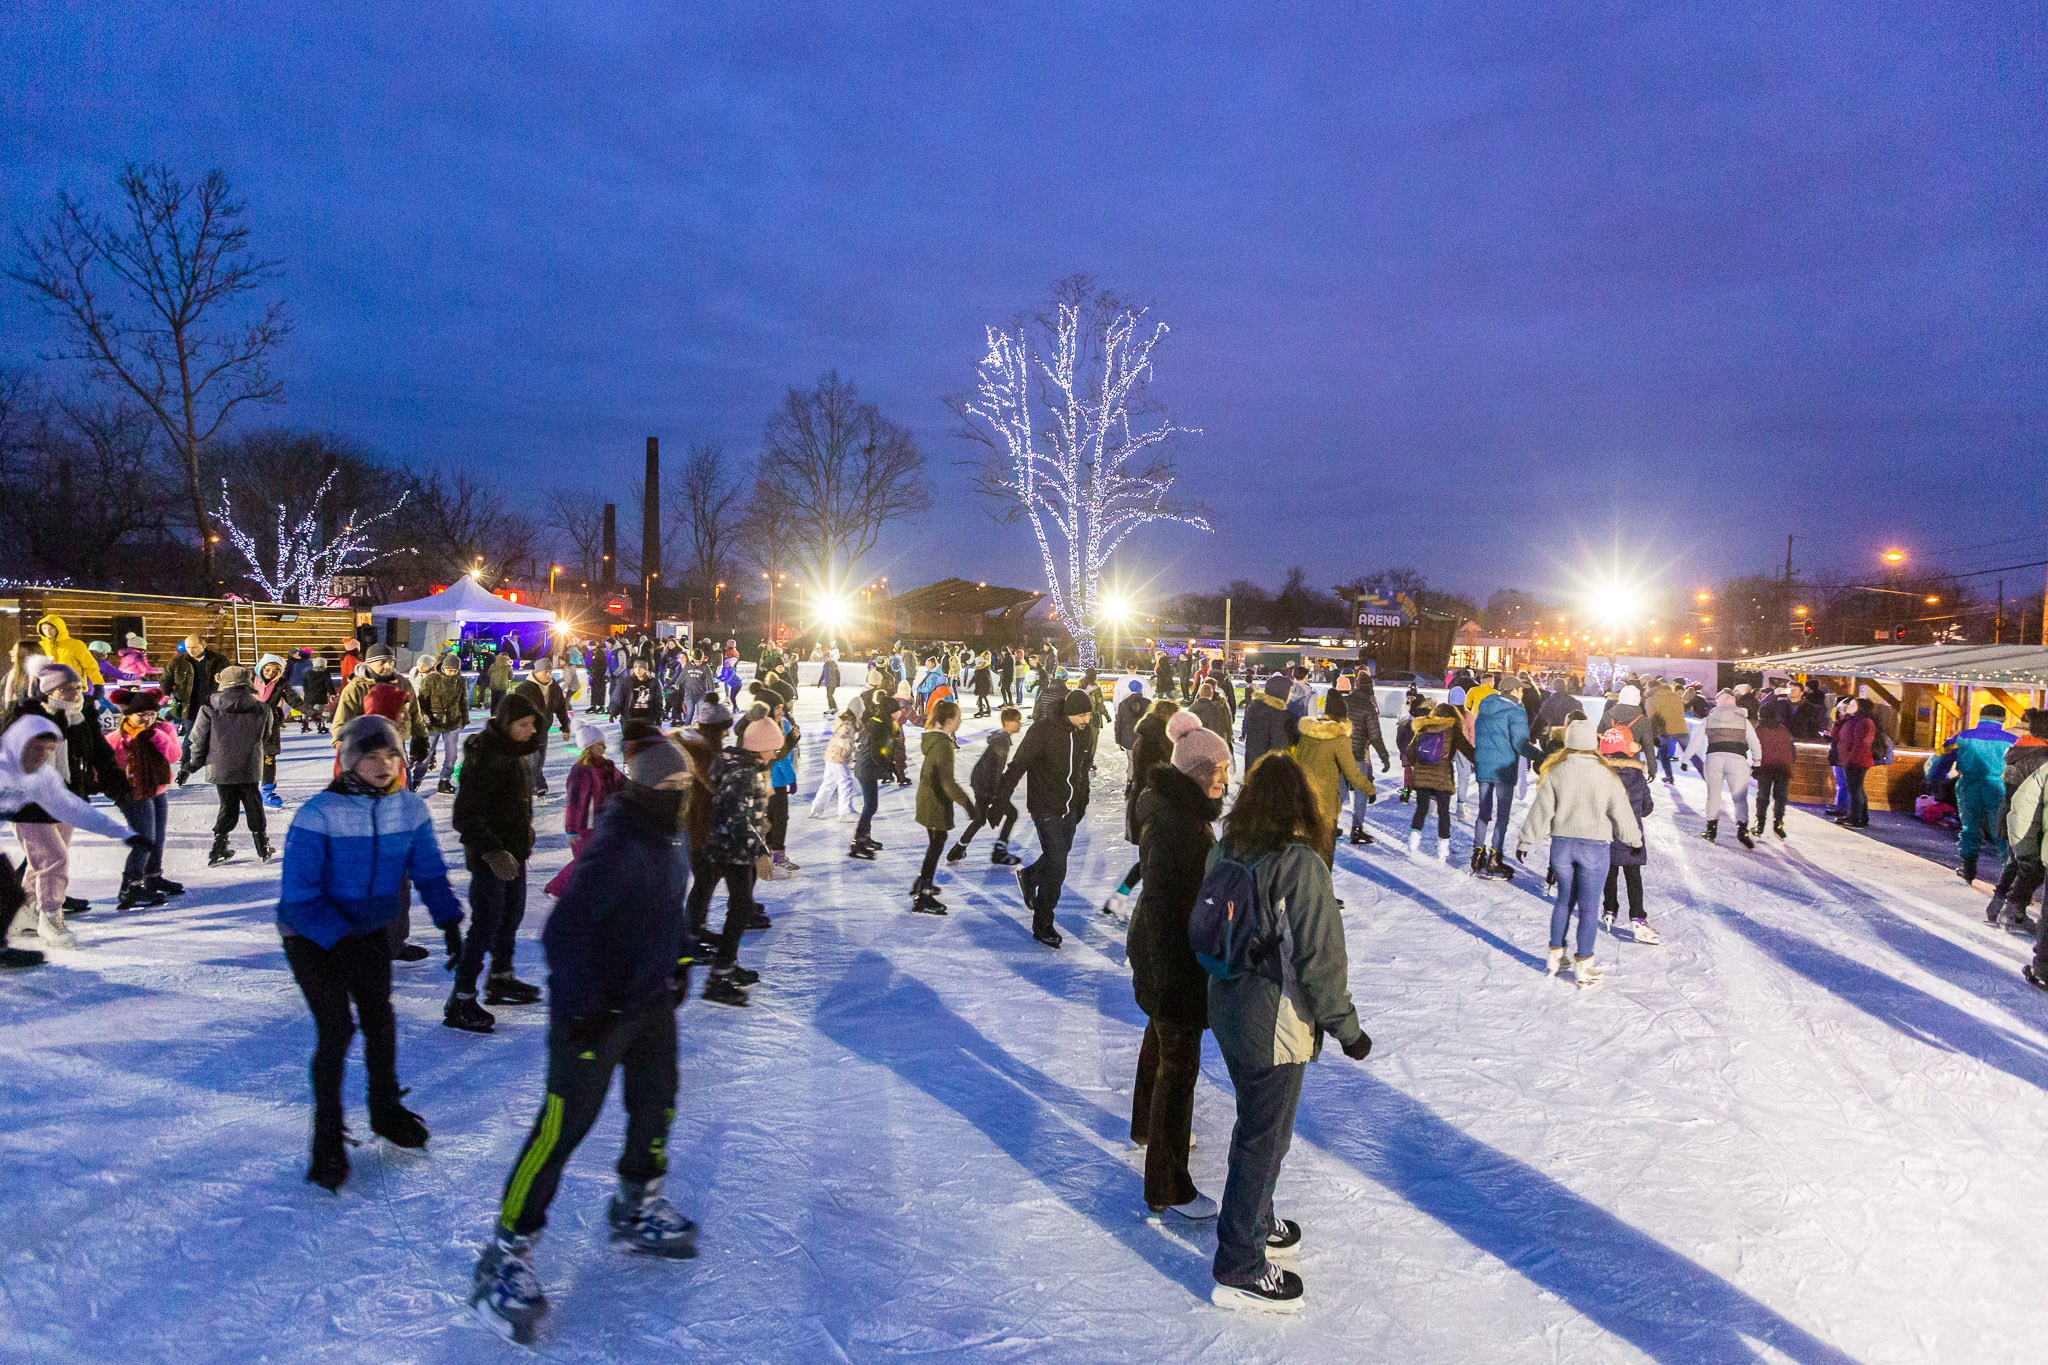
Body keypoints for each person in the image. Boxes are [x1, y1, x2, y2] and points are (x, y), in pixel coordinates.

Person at [469, 739, 700, 1345]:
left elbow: (669, 910)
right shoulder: (617, 844)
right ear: (643, 790)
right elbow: (563, 934)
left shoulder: (672, 838)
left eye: (684, 788)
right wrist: (585, 1008)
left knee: (657, 1104)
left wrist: (678, 958)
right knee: (561, 1129)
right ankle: (506, 1251)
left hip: (649, 1003)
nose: (678, 797)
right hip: (594, 1016)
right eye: (668, 789)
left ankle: (636, 1205)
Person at [1204, 753, 1370, 1313]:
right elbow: (1320, 960)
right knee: (1265, 1138)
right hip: (1274, 1021)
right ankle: (1240, 1266)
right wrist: (1347, 1030)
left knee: (1256, 1123)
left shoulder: (1227, 849)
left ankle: (1257, 1218)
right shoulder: (1300, 865)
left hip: (1228, 1007)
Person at [278, 716, 464, 1190]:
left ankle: (385, 1109)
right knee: (337, 1029)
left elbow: (428, 868)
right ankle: (326, 1136)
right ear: (349, 761)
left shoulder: (409, 809)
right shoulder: (319, 812)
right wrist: (342, 943)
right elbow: (298, 897)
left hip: (368, 932)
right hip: (310, 936)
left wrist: (448, 920)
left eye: (390, 756)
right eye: (371, 757)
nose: (383, 765)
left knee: (380, 1019)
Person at [1126, 723, 1229, 1220]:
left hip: (1160, 953)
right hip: (1171, 959)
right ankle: (1168, 1187)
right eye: (1218, 771)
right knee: (1178, 1066)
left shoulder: (1174, 811)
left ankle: (1144, 1128)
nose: (1224, 780)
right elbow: (1165, 909)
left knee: (1159, 1042)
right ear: (1195, 772)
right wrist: (1172, 987)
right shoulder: (1177, 826)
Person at [2, 664, 134, 942]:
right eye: (66, 688)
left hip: (67, 797)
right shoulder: (25, 716)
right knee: (53, 859)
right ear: (48, 690)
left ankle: (26, 910)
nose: (75, 693)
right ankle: (50, 918)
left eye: (78, 687)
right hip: (29, 802)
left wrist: (116, 784)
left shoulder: (82, 716)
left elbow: (100, 753)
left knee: (42, 862)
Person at [0, 716, 144, 965]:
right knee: (47, 861)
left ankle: (9, 938)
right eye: (36, 748)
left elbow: (76, 809)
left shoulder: (44, 776)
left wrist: (124, 833)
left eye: (49, 749)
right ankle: (45, 919)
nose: (43, 755)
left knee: (12, 887)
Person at [1516, 718, 1645, 987]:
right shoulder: (1606, 774)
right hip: (1594, 848)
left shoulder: (1556, 771)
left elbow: (1541, 810)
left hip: (1562, 846)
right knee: (1588, 907)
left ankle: (1555, 956)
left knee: (1564, 900)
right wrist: (1634, 840)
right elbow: (1622, 812)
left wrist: (1526, 841)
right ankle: (1584, 966)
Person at [446, 694, 545, 1032]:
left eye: (533, 724)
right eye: (524, 724)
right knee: (485, 926)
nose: (531, 731)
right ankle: (460, 999)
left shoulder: (514, 752)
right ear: (506, 724)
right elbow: (465, 815)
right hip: (490, 858)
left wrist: (524, 831)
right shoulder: (485, 757)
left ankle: (500, 978)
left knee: (510, 918)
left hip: (514, 853)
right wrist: (492, 851)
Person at [689, 719, 781, 1006]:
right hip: (731, 850)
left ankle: (725, 965)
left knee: (739, 908)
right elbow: (736, 818)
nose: (775, 754)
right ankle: (719, 976)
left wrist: (761, 821)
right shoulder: (744, 773)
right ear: (761, 746)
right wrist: (761, 851)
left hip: (730, 847)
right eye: (773, 748)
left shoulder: (745, 767)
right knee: (740, 909)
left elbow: (743, 811)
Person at [994, 689, 1095, 949]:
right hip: (1045, 806)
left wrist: (1081, 802)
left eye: (1088, 714)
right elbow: (1018, 765)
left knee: (1056, 856)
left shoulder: (1085, 732)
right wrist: (1001, 800)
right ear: (1069, 712)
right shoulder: (1042, 731)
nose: (1086, 719)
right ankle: (1043, 922)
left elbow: (1082, 768)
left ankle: (1029, 876)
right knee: (1058, 866)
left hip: (1069, 807)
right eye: (1081, 715)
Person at [181, 664, 275, 867]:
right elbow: (265, 736)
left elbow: (198, 740)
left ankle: (218, 848)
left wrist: (193, 764)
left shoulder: (208, 709)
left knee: (228, 805)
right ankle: (263, 846)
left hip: (220, 766)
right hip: (249, 765)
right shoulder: (263, 709)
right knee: (253, 803)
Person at [1103, 700, 1182, 922]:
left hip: (1148, 803)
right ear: (1167, 716)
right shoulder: (1154, 742)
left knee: (1151, 858)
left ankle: (1120, 897)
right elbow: (1155, 776)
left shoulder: (1152, 738)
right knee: (1152, 860)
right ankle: (1142, 909)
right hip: (1150, 806)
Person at [107, 688, 182, 908]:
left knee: (158, 838)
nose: (148, 719)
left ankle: (152, 877)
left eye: (152, 714)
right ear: (128, 715)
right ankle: (131, 887)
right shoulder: (117, 738)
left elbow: (174, 756)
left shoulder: (163, 729)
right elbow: (104, 767)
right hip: (133, 793)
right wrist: (118, 790)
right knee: (145, 839)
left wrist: (156, 737)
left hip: (157, 788)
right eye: (141, 714)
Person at [1929, 703, 2013, 886]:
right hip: (1999, 787)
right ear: (2003, 720)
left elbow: (1940, 756)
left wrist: (1935, 777)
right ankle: (2008, 874)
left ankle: (1968, 868)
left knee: (1970, 826)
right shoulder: (2012, 740)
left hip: (1968, 785)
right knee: (2001, 829)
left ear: (1980, 717)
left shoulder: (1961, 737)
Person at [1289, 691, 1373, 866]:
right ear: (1343, 716)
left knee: (1304, 851)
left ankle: (1304, 882)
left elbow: (1296, 762)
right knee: (1325, 853)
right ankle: (1322, 883)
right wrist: (1369, 789)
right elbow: (1352, 773)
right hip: (1325, 804)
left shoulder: (1309, 733)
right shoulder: (1339, 738)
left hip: (1302, 799)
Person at [1596, 724, 1661, 944]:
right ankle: (1637, 918)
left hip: (1606, 833)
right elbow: (1647, 807)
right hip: (1631, 835)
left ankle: (1609, 910)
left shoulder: (1599, 773)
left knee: (1610, 872)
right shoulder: (1636, 774)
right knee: (1633, 877)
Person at [545, 724, 626, 898]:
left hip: (605, 823)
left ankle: (560, 889)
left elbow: (625, 785)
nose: (604, 748)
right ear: (589, 747)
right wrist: (571, 829)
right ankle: (558, 889)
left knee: (596, 860)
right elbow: (575, 802)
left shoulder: (608, 767)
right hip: (585, 826)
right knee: (586, 860)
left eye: (604, 744)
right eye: (600, 744)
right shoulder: (582, 771)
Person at [911, 699, 973, 915]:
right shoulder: (943, 745)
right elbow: (948, 782)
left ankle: (922, 883)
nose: (960, 721)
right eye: (958, 718)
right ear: (948, 720)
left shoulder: (936, 739)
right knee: (937, 843)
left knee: (936, 842)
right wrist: (968, 805)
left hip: (928, 797)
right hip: (934, 800)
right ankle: (923, 895)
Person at [1468, 682, 1536, 878]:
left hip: (1484, 765)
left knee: (1483, 812)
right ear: (1513, 690)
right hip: (1504, 769)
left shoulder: (1485, 706)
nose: (1522, 694)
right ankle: (1494, 858)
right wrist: (1541, 756)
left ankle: (1477, 854)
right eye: (1521, 690)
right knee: (1502, 816)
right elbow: (1521, 744)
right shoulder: (1515, 711)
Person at [1684, 690, 1762, 847]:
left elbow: (1696, 741)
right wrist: (1757, 762)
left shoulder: (1708, 720)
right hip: (1738, 760)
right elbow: (1754, 743)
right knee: (1739, 797)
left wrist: (1686, 758)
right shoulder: (1744, 722)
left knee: (1713, 795)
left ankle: (1711, 830)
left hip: (1714, 758)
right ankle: (1742, 829)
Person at [950, 706, 1024, 865]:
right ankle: (1000, 850)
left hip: (980, 782)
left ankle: (958, 849)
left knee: (980, 819)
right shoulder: (1002, 741)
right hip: (985, 785)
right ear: (1007, 722)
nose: (1020, 724)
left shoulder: (1001, 738)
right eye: (1017, 720)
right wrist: (996, 795)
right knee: (1011, 814)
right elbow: (996, 769)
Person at [1403, 702, 1472, 862]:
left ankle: (1413, 842)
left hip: (1421, 776)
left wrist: (1419, 765)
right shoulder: (1452, 730)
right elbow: (1468, 750)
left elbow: (1410, 751)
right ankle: (1443, 850)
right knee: (1443, 812)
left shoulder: (1424, 727)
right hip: (1442, 776)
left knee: (1421, 808)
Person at [849, 696, 902, 859]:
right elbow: (876, 752)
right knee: (870, 806)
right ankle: (858, 842)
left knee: (871, 805)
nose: (900, 713)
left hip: (867, 767)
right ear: (891, 711)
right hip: (866, 768)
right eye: (897, 710)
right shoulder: (880, 725)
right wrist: (890, 767)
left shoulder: (882, 722)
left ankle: (865, 837)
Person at [512, 662, 573, 799]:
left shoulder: (554, 687)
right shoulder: (525, 688)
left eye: (550, 672)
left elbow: (561, 708)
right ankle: (540, 785)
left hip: (543, 729)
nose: (549, 675)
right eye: (545, 671)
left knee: (539, 760)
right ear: (537, 672)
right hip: (527, 731)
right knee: (532, 758)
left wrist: (565, 726)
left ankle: (529, 785)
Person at [252, 654, 303, 808]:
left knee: (268, 757)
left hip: (270, 726)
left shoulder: (281, 684)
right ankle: (246, 790)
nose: (270, 673)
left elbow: (295, 701)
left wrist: (313, 713)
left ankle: (267, 791)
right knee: (248, 759)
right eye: (267, 669)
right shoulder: (248, 680)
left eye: (275, 670)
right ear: (261, 667)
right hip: (248, 725)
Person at [420, 653, 472, 795]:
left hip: (453, 721)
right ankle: (416, 779)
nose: (453, 673)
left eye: (455, 671)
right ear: (443, 668)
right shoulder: (431, 679)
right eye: (450, 670)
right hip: (433, 722)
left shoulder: (460, 681)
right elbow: (422, 701)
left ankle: (444, 780)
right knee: (426, 754)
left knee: (452, 754)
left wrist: (464, 719)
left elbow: (463, 700)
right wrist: (424, 716)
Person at [1829, 699, 1881, 831]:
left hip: (1857, 761)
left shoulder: (1864, 722)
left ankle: (1856, 818)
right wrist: (1841, 720)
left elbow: (1861, 743)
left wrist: (1851, 760)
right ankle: (1860, 817)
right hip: (1849, 760)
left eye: (1853, 705)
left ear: (1860, 707)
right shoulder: (1850, 720)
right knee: (1856, 789)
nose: (1849, 706)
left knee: (1855, 789)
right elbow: (1835, 734)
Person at [164, 633, 230, 735]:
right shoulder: (177, 662)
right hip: (190, 706)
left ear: (203, 646)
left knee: (214, 734)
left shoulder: (219, 660)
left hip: (213, 705)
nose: (191, 650)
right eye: (188, 647)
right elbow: (166, 679)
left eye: (194, 647)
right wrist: (166, 694)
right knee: (192, 736)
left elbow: (230, 677)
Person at [1751, 699, 1798, 840]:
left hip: (1765, 767)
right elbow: (1792, 749)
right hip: (1783, 767)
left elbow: (1754, 747)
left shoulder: (1759, 729)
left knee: (1763, 796)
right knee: (1780, 797)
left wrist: (1754, 764)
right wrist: (1790, 762)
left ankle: (1759, 824)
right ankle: (1778, 824)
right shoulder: (1784, 729)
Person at [808, 708, 860, 822]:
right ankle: (846, 812)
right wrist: (852, 752)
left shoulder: (843, 721)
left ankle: (817, 807)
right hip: (839, 756)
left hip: (832, 754)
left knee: (829, 782)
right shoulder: (848, 725)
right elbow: (844, 740)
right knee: (845, 782)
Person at [1241, 674, 1297, 774]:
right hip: (1270, 770)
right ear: (1281, 692)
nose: (1290, 695)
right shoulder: (1279, 715)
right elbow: (1278, 747)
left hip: (1252, 765)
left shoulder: (1256, 708)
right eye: (1289, 691)